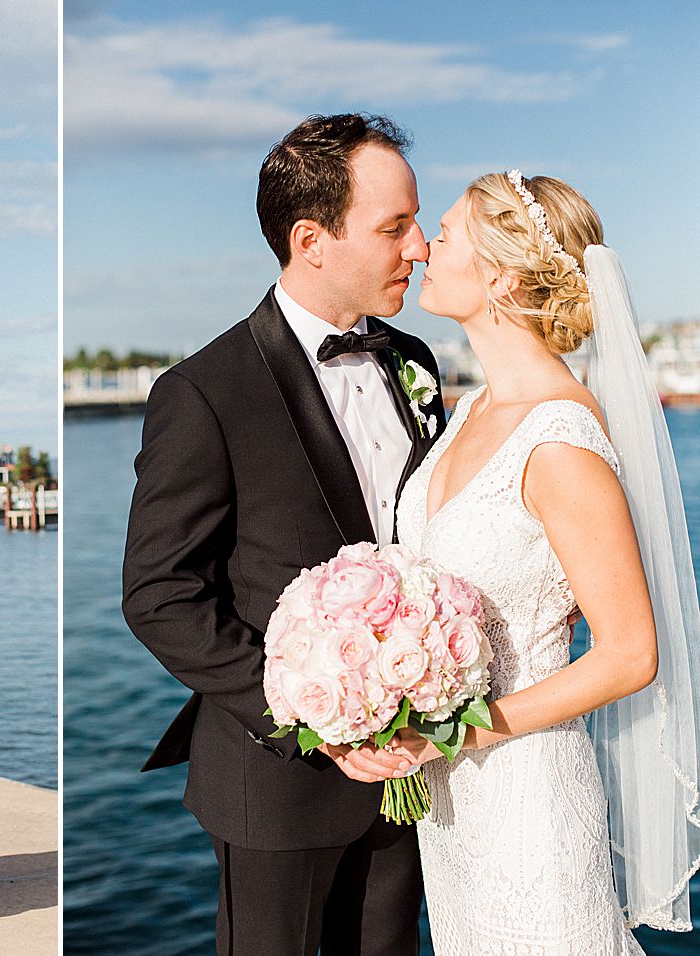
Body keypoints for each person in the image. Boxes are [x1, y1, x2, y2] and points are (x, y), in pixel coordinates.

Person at [123, 113, 444, 956]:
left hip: (412, 768)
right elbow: (160, 596)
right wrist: (316, 716)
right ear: (311, 240)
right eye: (395, 227)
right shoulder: (204, 391)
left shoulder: (413, 362)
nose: (419, 249)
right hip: (276, 783)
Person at [394, 170, 700, 950]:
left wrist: (458, 734)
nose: (424, 248)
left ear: (500, 276)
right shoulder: (471, 410)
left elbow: (630, 655)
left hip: (529, 797)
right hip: (452, 809)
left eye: (446, 234)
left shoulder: (559, 438)